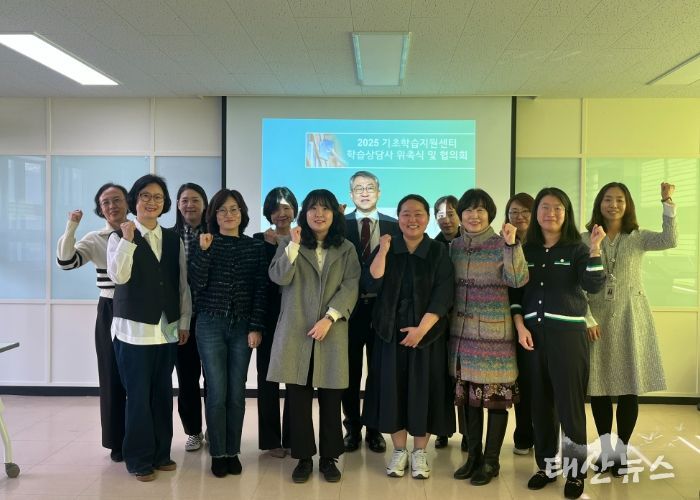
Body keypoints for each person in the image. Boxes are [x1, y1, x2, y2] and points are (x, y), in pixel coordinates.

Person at [510, 187, 605, 499]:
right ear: (536, 213)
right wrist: (520, 326)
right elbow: (516, 293)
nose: (550, 213)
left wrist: (595, 250)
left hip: (568, 338)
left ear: (566, 213)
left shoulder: (577, 249)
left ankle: (575, 473)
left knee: (569, 408)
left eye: (557, 208)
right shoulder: (526, 249)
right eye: (544, 207)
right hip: (532, 339)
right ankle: (546, 467)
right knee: (540, 406)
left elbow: (593, 285)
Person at [584, 182, 677, 476]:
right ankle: (606, 450)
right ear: (599, 204)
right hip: (597, 319)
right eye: (608, 199)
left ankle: (621, 452)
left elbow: (670, 239)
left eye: (620, 200)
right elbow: (578, 283)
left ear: (628, 205)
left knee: (628, 386)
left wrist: (667, 202)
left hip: (630, 317)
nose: (613, 205)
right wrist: (587, 318)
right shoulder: (586, 238)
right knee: (598, 386)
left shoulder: (638, 237)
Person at [267, 189, 360, 483]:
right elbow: (279, 277)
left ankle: (329, 458)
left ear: (334, 214)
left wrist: (330, 318)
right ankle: (304, 458)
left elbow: (351, 285)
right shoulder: (288, 243)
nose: (319, 214)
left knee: (331, 399)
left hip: (331, 331)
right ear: (304, 214)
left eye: (326, 208)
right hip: (296, 332)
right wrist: (293, 246)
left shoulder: (346, 248)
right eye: (313, 208)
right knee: (298, 400)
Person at [363, 194, 455, 480]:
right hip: (389, 335)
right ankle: (400, 450)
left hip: (428, 337)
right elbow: (371, 282)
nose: (412, 219)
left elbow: (443, 294)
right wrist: (382, 251)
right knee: (394, 392)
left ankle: (420, 452)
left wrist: (421, 330)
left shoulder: (438, 251)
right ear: (398, 217)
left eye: (418, 214)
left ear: (427, 218)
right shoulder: (388, 246)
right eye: (405, 214)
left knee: (423, 392)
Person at [107, 174, 191, 482]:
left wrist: (184, 321)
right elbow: (118, 276)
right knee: (138, 397)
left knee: (162, 394)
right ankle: (139, 459)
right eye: (145, 196)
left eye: (158, 197)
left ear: (165, 203)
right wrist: (128, 240)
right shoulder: (119, 237)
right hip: (133, 330)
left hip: (166, 328)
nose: (151, 202)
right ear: (135, 200)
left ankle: (161, 453)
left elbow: (181, 284)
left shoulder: (172, 238)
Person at [450, 189, 529, 486]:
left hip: (494, 337)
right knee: (469, 401)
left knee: (495, 401)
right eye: (468, 210)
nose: (474, 216)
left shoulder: (502, 243)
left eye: (480, 210)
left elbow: (518, 280)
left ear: (490, 214)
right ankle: (473, 457)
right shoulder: (455, 246)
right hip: (462, 337)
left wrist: (511, 245)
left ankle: (491, 461)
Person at [189, 189, 268, 477]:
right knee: (216, 391)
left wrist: (256, 326)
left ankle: (232, 451)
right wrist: (204, 253)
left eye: (234, 209)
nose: (229, 215)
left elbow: (261, 290)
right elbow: (196, 283)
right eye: (222, 210)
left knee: (236, 392)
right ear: (214, 215)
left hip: (243, 327)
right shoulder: (204, 242)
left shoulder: (255, 247)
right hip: (209, 324)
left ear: (242, 213)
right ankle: (218, 452)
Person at [56, 182, 129, 463]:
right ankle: (116, 441)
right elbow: (66, 262)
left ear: (127, 202)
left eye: (117, 200)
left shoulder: (141, 232)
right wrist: (71, 227)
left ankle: (140, 436)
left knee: (138, 378)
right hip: (110, 307)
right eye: (105, 202)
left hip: (140, 309)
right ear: (100, 209)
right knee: (111, 374)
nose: (112, 206)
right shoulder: (95, 238)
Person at [343, 170, 398, 453]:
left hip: (382, 309)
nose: (364, 193)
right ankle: (352, 427)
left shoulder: (394, 225)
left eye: (369, 188)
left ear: (379, 192)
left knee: (378, 372)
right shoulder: (339, 225)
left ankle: (374, 429)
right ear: (351, 194)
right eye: (358, 188)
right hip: (349, 310)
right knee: (349, 372)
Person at [252, 187, 297, 458]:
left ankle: (293, 437)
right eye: (276, 208)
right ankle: (271, 441)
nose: (282, 213)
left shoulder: (302, 239)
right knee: (266, 379)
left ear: (294, 210)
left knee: (294, 378)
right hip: (268, 316)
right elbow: (262, 280)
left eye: (287, 207)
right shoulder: (259, 240)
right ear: (268, 212)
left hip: (295, 316)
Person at [170, 182, 208, 452]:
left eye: (195, 200)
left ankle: (215, 429)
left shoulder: (215, 233)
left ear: (205, 204)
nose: (189, 205)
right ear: (177, 205)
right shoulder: (169, 236)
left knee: (215, 379)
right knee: (187, 378)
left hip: (210, 316)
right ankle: (193, 431)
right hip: (182, 319)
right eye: (184, 200)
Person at [432, 194, 466, 451]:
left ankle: (468, 433)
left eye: (451, 214)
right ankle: (442, 430)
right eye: (441, 215)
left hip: (466, 321)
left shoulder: (469, 243)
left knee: (464, 379)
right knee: (441, 378)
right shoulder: (432, 246)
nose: (446, 220)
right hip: (440, 322)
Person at [504, 192, 536, 456]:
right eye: (514, 211)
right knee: (521, 382)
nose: (519, 216)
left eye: (525, 211)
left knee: (542, 383)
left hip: (542, 321)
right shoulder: (503, 243)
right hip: (512, 321)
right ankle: (524, 435)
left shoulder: (542, 242)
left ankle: (545, 436)